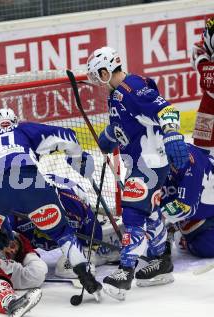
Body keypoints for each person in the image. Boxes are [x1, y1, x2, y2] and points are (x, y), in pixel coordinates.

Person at [0, 108, 103, 307]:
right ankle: (88, 280)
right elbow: (67, 136)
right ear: (15, 122)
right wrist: (78, 160)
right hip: (32, 184)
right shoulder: (24, 130)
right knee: (64, 233)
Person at [88, 46, 188, 300]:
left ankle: (125, 271)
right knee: (150, 210)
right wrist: (112, 134)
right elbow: (131, 121)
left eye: (97, 76)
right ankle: (160, 263)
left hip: (149, 163)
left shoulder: (130, 88)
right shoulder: (118, 94)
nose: (97, 83)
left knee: (132, 211)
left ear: (104, 71)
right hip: (141, 162)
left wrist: (173, 134)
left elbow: (165, 109)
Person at [161, 143, 214, 258]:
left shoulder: (191, 166)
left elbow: (185, 207)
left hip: (203, 210)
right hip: (198, 206)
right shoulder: (160, 157)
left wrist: (158, 215)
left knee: (205, 246)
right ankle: (175, 228)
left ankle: (177, 231)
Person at [191, 17, 214, 154]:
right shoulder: (203, 48)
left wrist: (202, 61)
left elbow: (209, 81)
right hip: (208, 105)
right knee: (201, 149)